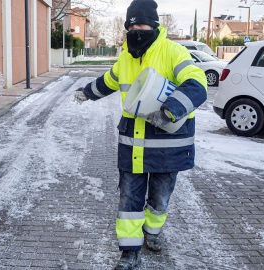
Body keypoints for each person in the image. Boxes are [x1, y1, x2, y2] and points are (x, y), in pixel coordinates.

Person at [73, 0, 207, 269]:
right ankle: (130, 252)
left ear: (154, 25)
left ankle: (153, 232)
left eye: (141, 23)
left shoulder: (173, 52)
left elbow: (197, 82)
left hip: (168, 145)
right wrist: (87, 92)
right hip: (133, 143)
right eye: (130, 24)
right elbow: (109, 81)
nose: (136, 29)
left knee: (159, 197)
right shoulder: (125, 57)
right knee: (129, 199)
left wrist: (170, 110)